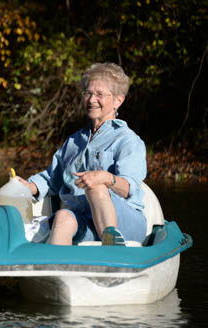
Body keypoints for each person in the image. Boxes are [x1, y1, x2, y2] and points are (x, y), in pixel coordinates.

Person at [19, 62, 147, 246]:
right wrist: (28, 187)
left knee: (96, 185)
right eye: (88, 93)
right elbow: (51, 179)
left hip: (125, 223)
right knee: (62, 216)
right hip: (87, 222)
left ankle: (112, 245)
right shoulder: (74, 141)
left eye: (100, 94)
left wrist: (105, 178)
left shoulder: (128, 140)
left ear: (118, 100)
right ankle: (54, 267)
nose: (92, 99)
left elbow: (129, 188)